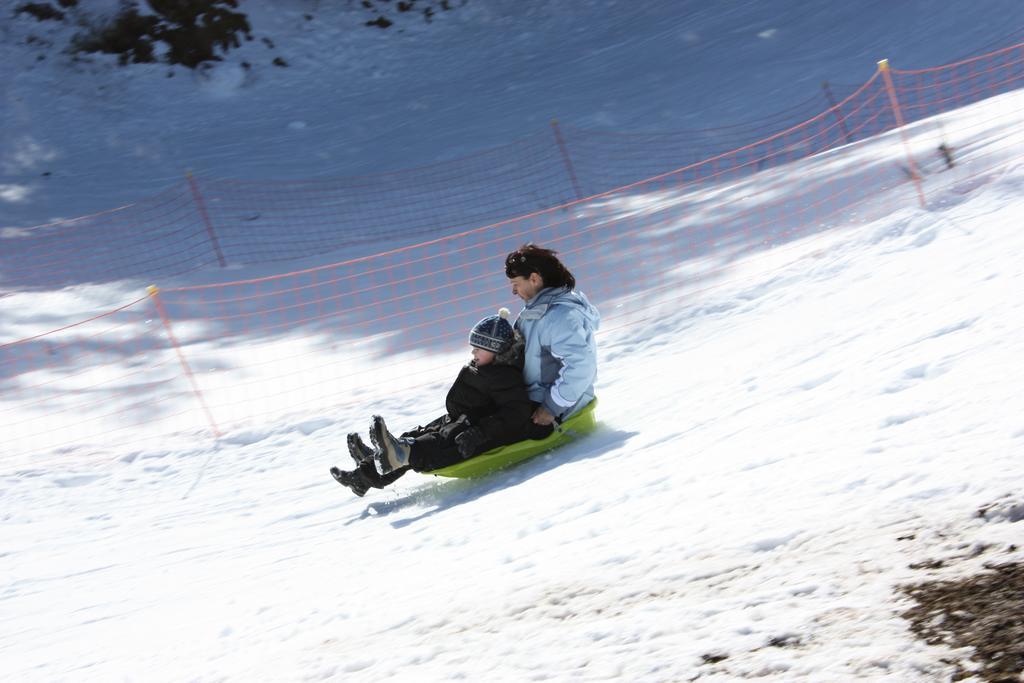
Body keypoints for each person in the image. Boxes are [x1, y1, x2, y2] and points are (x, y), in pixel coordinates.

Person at [330, 308, 553, 497]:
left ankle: (391, 456)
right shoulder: (487, 367)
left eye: (478, 348)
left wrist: (480, 433)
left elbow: (515, 413)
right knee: (418, 436)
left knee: (432, 445)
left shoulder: (506, 376)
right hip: (463, 417)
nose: (473, 352)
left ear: (496, 350)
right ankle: (368, 469)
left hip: (476, 431)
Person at [504, 244, 600, 426]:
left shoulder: (558, 317)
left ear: (533, 279)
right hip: (530, 398)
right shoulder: (536, 311)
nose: (514, 291)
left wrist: (551, 408)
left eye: (515, 284)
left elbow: (581, 366)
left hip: (556, 410)